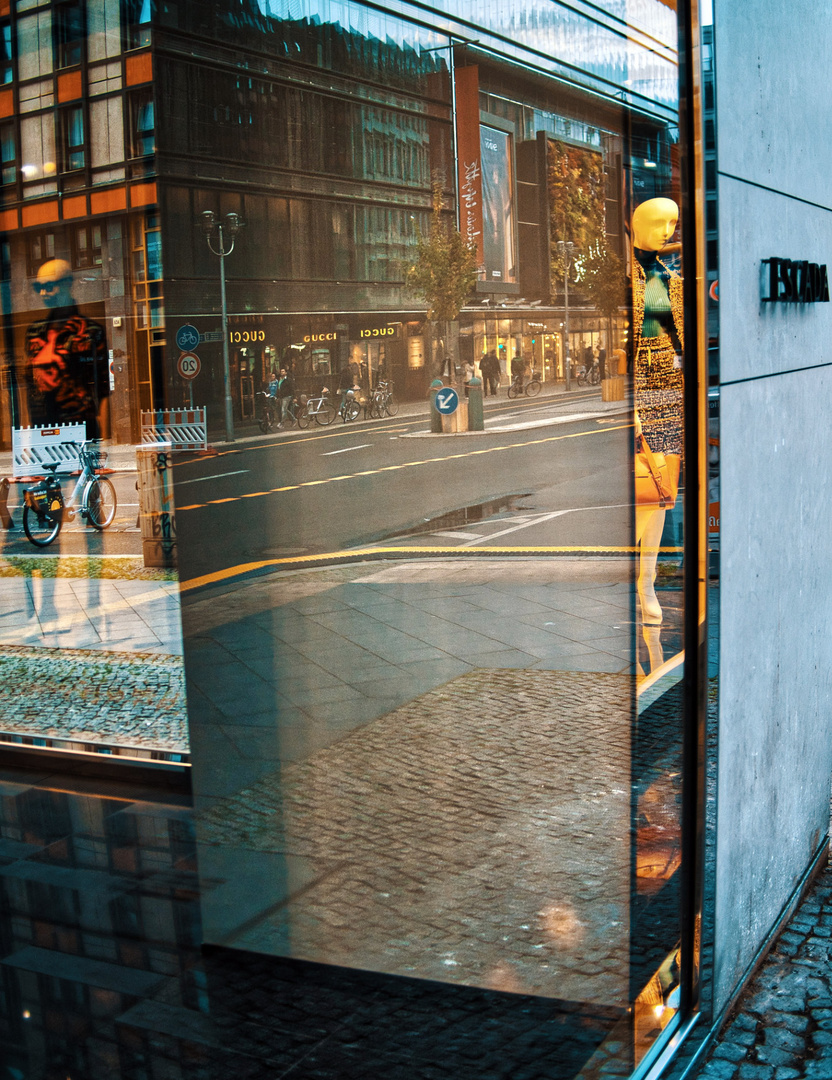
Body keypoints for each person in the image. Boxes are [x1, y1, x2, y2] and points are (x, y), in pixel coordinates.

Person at [631, 197, 684, 625]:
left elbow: (682, 345)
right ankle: (636, 582)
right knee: (640, 494)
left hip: (669, 398)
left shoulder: (673, 282)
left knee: (661, 497)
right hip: (642, 397)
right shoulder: (623, 280)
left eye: (674, 223)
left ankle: (646, 582)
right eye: (661, 223)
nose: (669, 231)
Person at [25, 259, 110, 439]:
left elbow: (102, 388)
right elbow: (29, 384)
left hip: (78, 426)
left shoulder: (89, 331)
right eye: (38, 287)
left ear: (67, 285)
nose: (43, 293)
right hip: (42, 429)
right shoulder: (34, 333)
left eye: (49, 286)